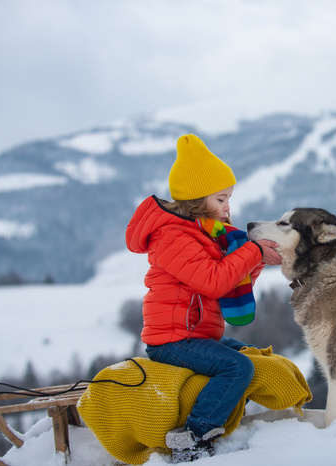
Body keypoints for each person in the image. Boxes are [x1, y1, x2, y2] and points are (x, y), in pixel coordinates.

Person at [125, 134, 281, 461]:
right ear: (197, 199)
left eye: (228, 200)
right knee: (237, 368)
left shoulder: (205, 232)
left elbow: (230, 280)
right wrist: (252, 251)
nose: (228, 208)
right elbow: (212, 282)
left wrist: (257, 260)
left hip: (196, 335)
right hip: (172, 340)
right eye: (222, 199)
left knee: (246, 355)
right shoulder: (172, 236)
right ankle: (194, 436)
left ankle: (243, 420)